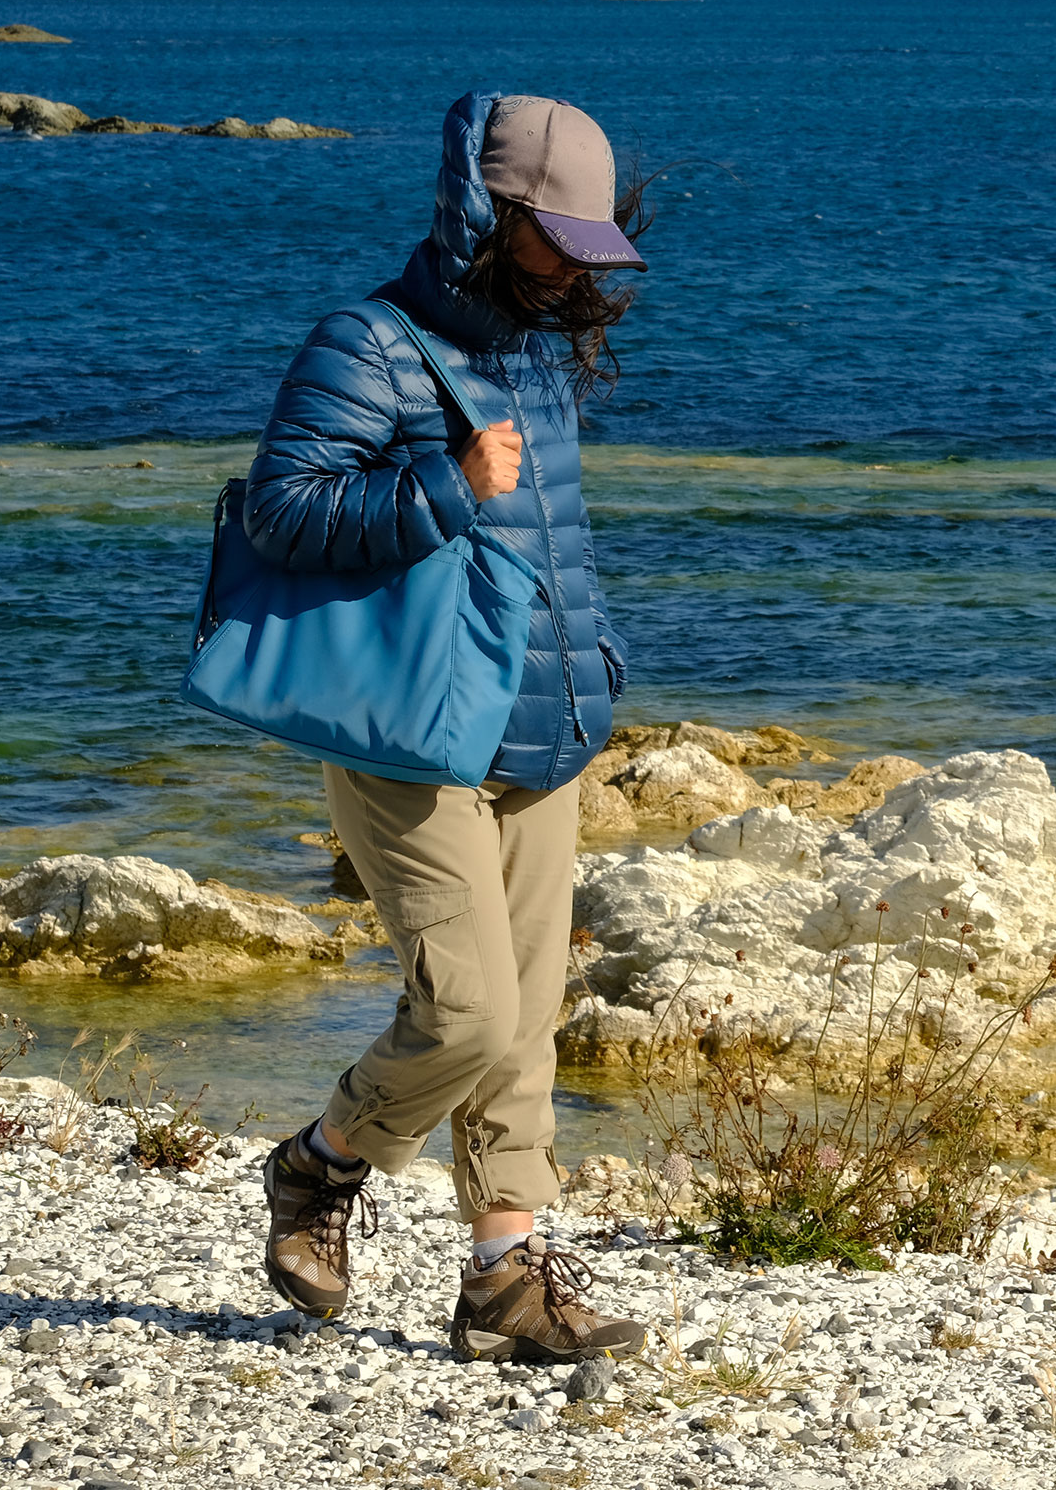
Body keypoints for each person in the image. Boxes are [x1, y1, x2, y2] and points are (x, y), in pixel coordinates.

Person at [239, 90, 648, 1363]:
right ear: (490, 214)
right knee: (465, 1011)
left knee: (525, 1024)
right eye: (557, 243)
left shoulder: (535, 347)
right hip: (411, 733)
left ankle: (505, 1282)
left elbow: (554, 537)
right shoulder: (367, 341)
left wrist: (596, 661)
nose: (578, 274)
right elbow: (281, 513)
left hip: (545, 725)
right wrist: (444, 487)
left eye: (595, 246)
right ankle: (320, 1163)